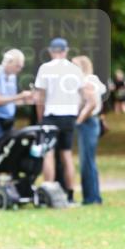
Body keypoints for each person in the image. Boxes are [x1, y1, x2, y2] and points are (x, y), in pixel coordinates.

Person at [34, 37, 84, 204]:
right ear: (66, 51)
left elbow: (40, 97)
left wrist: (40, 117)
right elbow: (82, 95)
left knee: (48, 154)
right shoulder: (75, 69)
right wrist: (75, 111)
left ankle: (48, 191)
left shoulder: (45, 68)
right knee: (67, 155)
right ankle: (70, 194)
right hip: (69, 115)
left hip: (51, 114)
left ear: (50, 51)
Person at [72, 55, 106, 205]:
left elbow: (91, 103)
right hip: (91, 123)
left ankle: (91, 197)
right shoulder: (90, 80)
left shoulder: (87, 81)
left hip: (88, 123)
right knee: (87, 161)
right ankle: (92, 196)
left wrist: (79, 121)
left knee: (87, 161)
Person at [0, 49, 31, 148]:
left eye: (21, 67)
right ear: (9, 62)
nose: (19, 69)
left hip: (8, 121)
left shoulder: (12, 77)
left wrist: (27, 100)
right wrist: (21, 96)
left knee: (10, 153)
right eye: (18, 66)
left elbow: (10, 100)